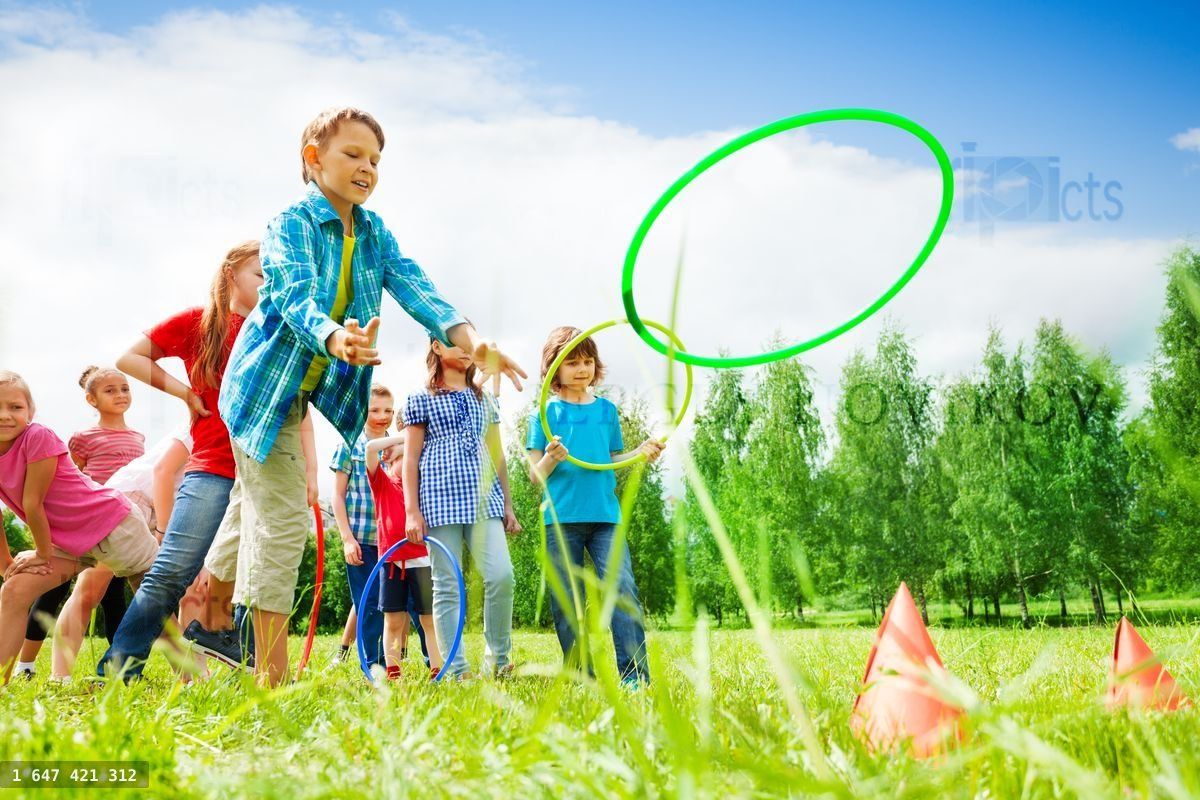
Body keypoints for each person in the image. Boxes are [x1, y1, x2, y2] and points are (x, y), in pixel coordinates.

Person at [217, 106, 525, 686]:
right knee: (280, 525)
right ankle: (271, 681)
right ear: (314, 159)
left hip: (307, 393)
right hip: (262, 396)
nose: (367, 168)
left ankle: (208, 604)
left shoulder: (374, 231)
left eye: (376, 160)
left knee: (253, 517)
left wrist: (473, 341)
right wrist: (336, 337)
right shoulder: (291, 224)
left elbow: (415, 287)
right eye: (352, 155)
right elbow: (293, 294)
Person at [96, 241, 273, 678]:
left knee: (259, 575)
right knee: (172, 570)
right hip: (213, 468)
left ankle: (254, 663)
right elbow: (129, 358)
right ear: (232, 273)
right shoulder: (202, 323)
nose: (269, 285)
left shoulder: (272, 332)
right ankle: (119, 667)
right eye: (261, 275)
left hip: (263, 470)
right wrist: (185, 393)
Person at [0, 371, 158, 683]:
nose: (5, 415)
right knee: (14, 591)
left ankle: (193, 675)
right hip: (69, 540)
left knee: (154, 600)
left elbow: (33, 502)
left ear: (30, 412)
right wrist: (6, 563)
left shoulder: (38, 436)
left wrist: (42, 554)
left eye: (15, 407)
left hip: (112, 524)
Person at [526, 326, 663, 687]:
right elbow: (534, 476)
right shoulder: (544, 412)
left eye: (587, 361)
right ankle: (581, 676)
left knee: (623, 591)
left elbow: (613, 457)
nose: (582, 369)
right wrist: (552, 459)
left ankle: (635, 677)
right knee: (567, 602)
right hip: (561, 518)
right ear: (554, 368)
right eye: (572, 362)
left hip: (605, 516)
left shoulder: (605, 410)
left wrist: (642, 452)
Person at [402, 337, 522, 680]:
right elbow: (410, 458)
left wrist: (508, 504)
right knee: (447, 583)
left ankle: (498, 659)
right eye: (458, 343)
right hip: (439, 499)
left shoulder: (483, 398)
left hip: (484, 499)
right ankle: (456, 669)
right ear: (437, 347)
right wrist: (412, 510)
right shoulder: (420, 398)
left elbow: (498, 455)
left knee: (501, 575)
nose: (469, 348)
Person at [365, 431, 441, 680]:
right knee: (394, 621)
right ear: (390, 461)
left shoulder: (421, 488)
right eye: (401, 459)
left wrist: (404, 448)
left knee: (428, 620)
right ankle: (394, 672)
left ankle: (437, 669)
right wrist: (399, 441)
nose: (407, 465)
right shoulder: (382, 483)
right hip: (391, 561)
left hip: (422, 560)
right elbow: (371, 448)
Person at [330, 383, 392, 669]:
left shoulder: (396, 446)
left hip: (391, 539)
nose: (383, 416)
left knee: (389, 603)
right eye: (375, 410)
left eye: (389, 410)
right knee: (367, 604)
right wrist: (346, 539)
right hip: (361, 539)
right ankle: (373, 664)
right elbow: (338, 496)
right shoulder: (350, 443)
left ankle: (392, 659)